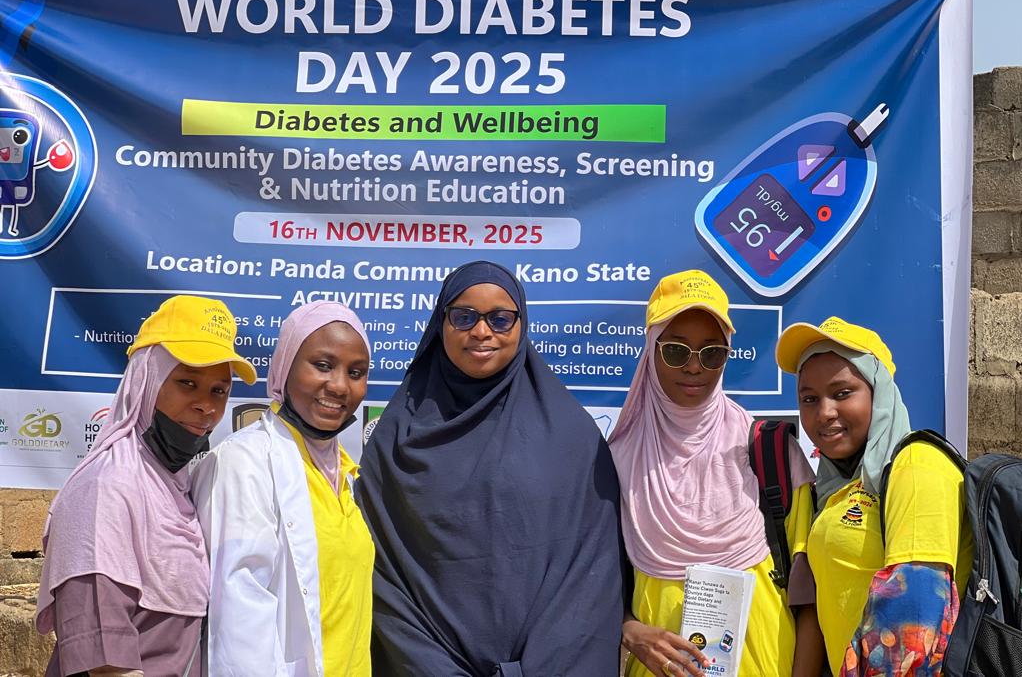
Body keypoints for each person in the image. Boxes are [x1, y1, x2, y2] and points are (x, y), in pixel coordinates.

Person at [357, 260, 626, 676]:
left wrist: (543, 666)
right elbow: (380, 572)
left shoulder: (572, 436)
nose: (481, 332)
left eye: (500, 319)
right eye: (464, 317)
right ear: (440, 323)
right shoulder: (395, 438)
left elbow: (592, 570)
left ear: (521, 324)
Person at [609, 270, 817, 677]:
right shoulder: (615, 462)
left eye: (712, 353)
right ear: (651, 349)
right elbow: (589, 584)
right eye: (675, 351)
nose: (694, 367)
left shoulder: (771, 453)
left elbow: (810, 598)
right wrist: (629, 630)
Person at [35, 295, 256, 677]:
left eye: (219, 391)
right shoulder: (106, 490)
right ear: (145, 382)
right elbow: (107, 664)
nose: (206, 406)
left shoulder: (176, 489)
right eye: (187, 383)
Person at [775, 316, 972, 677]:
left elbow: (913, 632)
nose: (824, 413)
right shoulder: (839, 489)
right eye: (809, 398)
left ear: (879, 394)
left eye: (842, 393)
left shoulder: (917, 466)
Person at [192, 301, 374, 677]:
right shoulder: (244, 462)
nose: (340, 385)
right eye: (322, 365)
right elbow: (238, 618)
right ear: (285, 368)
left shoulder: (345, 472)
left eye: (356, 372)